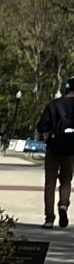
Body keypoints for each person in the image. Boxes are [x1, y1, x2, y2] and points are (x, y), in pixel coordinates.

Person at [41, 78, 74, 226]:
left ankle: (49, 218)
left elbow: (42, 127)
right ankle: (63, 205)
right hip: (71, 149)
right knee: (66, 181)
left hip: (54, 147)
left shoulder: (53, 105)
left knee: (50, 183)